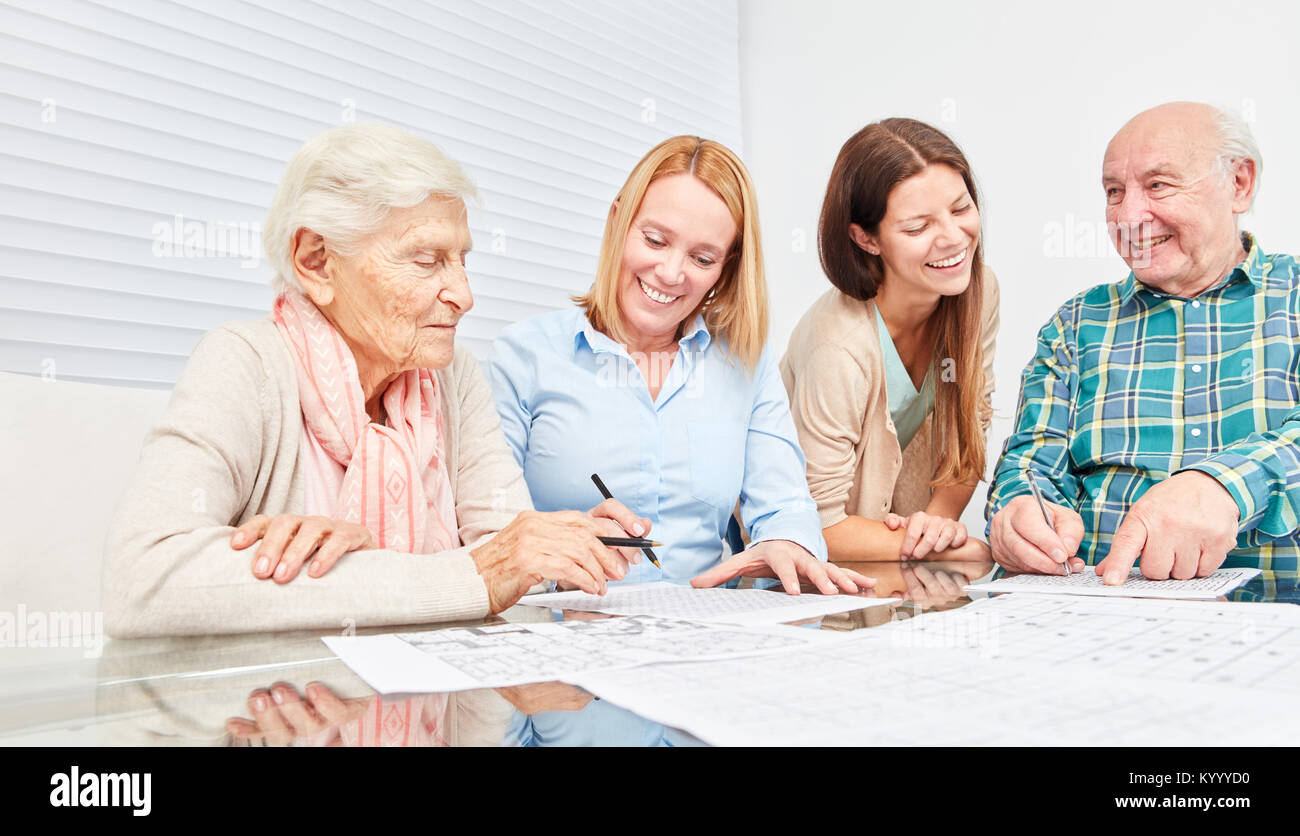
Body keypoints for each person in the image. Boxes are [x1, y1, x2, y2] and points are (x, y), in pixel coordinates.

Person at [103, 124, 643, 638]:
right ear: (316, 260)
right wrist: (473, 574)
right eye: (427, 259)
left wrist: (559, 553)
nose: (464, 294)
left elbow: (504, 555)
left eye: (462, 260)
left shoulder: (453, 377)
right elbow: (142, 581)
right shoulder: (245, 363)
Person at [488, 135, 874, 745]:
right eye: (655, 239)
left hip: (707, 672)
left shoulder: (744, 364)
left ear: (727, 267)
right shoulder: (522, 356)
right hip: (559, 682)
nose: (671, 273)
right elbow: (482, 538)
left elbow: (785, 505)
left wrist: (784, 545)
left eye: (702, 256)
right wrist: (561, 548)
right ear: (619, 222)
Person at [986, 102, 1300, 584]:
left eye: (1158, 185)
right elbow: (1029, 467)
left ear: (1239, 184)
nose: (1129, 216)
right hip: (1095, 626)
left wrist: (1226, 486)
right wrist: (1020, 515)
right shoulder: (1075, 324)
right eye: (1114, 191)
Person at [781, 118, 999, 564]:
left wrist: (939, 525)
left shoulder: (979, 290)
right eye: (918, 228)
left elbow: (970, 426)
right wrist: (954, 550)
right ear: (865, 238)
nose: (954, 239)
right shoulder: (837, 344)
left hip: (888, 569)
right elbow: (815, 524)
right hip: (807, 568)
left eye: (960, 210)